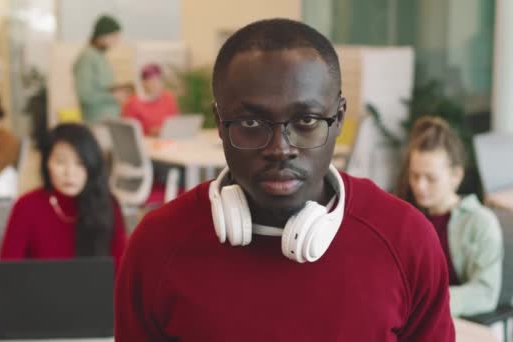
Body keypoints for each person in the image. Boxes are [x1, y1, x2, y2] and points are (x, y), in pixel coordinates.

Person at [115, 19, 454, 340]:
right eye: (250, 123)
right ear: (220, 122)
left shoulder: (406, 240)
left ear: (337, 118)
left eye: (306, 120)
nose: (280, 149)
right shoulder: (157, 245)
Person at [396, 116, 503, 317]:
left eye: (431, 178)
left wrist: (427, 302)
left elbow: (485, 292)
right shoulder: (407, 219)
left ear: (457, 176)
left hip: (453, 323)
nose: (420, 186)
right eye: (415, 175)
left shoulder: (480, 223)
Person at [0, 124, 127, 270]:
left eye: (80, 163)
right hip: (39, 292)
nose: (69, 172)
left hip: (97, 293)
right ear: (47, 163)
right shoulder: (26, 206)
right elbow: (7, 273)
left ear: (91, 165)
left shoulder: (108, 205)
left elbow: (122, 272)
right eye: (60, 162)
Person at [73, 14, 124, 124]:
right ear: (102, 35)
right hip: (96, 123)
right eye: (114, 36)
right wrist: (113, 96)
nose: (117, 41)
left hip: (109, 121)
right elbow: (85, 95)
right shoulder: (87, 57)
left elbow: (103, 88)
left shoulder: (100, 57)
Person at [122, 63, 179, 136]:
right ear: (143, 83)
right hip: (146, 142)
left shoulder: (168, 98)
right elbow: (127, 132)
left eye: (159, 80)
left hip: (169, 140)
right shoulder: (133, 103)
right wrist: (149, 132)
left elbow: (175, 122)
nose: (156, 84)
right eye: (152, 81)